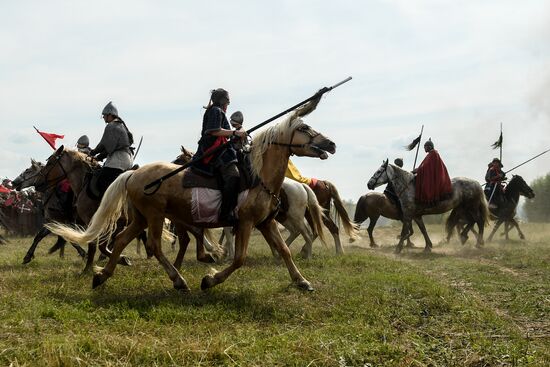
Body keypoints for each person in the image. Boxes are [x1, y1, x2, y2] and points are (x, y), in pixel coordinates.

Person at [192, 89, 247, 224]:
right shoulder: (215, 111)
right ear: (223, 102)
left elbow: (228, 134)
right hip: (212, 150)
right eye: (227, 102)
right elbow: (214, 131)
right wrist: (235, 132)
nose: (228, 105)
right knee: (233, 175)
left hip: (221, 149)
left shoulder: (218, 112)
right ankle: (225, 213)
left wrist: (238, 132)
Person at [89, 102, 134, 197]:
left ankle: (106, 203)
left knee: (102, 180)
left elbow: (103, 145)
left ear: (110, 115)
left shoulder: (111, 126)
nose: (104, 118)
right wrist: (99, 157)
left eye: (105, 116)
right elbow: (110, 147)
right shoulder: (121, 125)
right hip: (128, 159)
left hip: (118, 160)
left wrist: (93, 153)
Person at [413, 139, 452, 205]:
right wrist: (418, 169)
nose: (424, 148)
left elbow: (427, 167)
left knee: (425, 184)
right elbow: (425, 166)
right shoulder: (430, 154)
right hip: (430, 174)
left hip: (436, 176)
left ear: (430, 147)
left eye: (425, 146)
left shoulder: (434, 154)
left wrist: (418, 170)